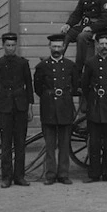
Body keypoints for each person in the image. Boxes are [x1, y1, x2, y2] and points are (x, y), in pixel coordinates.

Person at [0, 32, 34, 188]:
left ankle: (19, 177)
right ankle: (6, 177)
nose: (11, 48)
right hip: (4, 109)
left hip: (21, 108)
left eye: (13, 45)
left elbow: (29, 86)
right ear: (3, 46)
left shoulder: (23, 63)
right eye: (8, 45)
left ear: (16, 46)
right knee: (6, 144)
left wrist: (29, 108)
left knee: (20, 143)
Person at [33, 33, 79, 185]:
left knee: (65, 144)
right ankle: (51, 175)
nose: (57, 49)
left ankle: (63, 174)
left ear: (64, 47)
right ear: (49, 47)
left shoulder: (70, 66)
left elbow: (74, 86)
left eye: (59, 46)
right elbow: (38, 88)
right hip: (49, 108)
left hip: (65, 107)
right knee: (50, 145)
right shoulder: (42, 66)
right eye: (54, 47)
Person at [80, 32, 107, 183]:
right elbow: (85, 85)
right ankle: (94, 174)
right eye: (102, 44)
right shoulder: (91, 63)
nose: (104, 47)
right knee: (94, 143)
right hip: (95, 106)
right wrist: (92, 98)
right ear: (97, 45)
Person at [60, 0, 107, 74]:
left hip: (99, 29)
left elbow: (105, 19)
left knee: (82, 37)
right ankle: (58, 57)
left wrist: (92, 27)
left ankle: (79, 67)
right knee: (65, 34)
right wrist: (68, 24)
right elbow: (77, 14)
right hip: (84, 26)